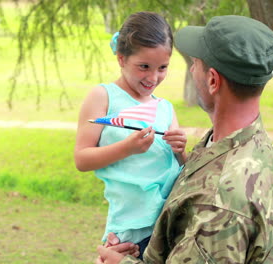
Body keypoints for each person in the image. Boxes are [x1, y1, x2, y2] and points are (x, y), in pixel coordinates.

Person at [96, 15, 273, 264]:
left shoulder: (219, 203)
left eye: (195, 64)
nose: (192, 70)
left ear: (213, 80)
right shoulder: (247, 141)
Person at [74, 11, 187, 260]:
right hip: (131, 230)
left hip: (170, 224)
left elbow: (182, 171)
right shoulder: (103, 97)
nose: (153, 77)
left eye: (162, 68)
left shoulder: (164, 108)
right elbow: (82, 159)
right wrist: (127, 147)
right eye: (144, 67)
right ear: (121, 59)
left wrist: (181, 151)